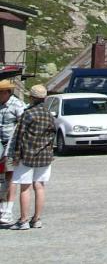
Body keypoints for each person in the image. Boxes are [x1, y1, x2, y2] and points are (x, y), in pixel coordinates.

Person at [7, 84, 56, 230]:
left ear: (32, 98)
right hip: (45, 156)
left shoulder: (27, 114)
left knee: (25, 188)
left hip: (27, 155)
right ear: (44, 98)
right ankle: (37, 219)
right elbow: (53, 135)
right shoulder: (49, 115)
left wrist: (15, 156)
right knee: (40, 186)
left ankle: (23, 220)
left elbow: (18, 136)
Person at [0, 79, 27, 225]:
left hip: (10, 147)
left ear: (6, 92)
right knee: (1, 179)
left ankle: (8, 211)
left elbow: (23, 125)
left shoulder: (17, 105)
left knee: (9, 177)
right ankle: (2, 208)